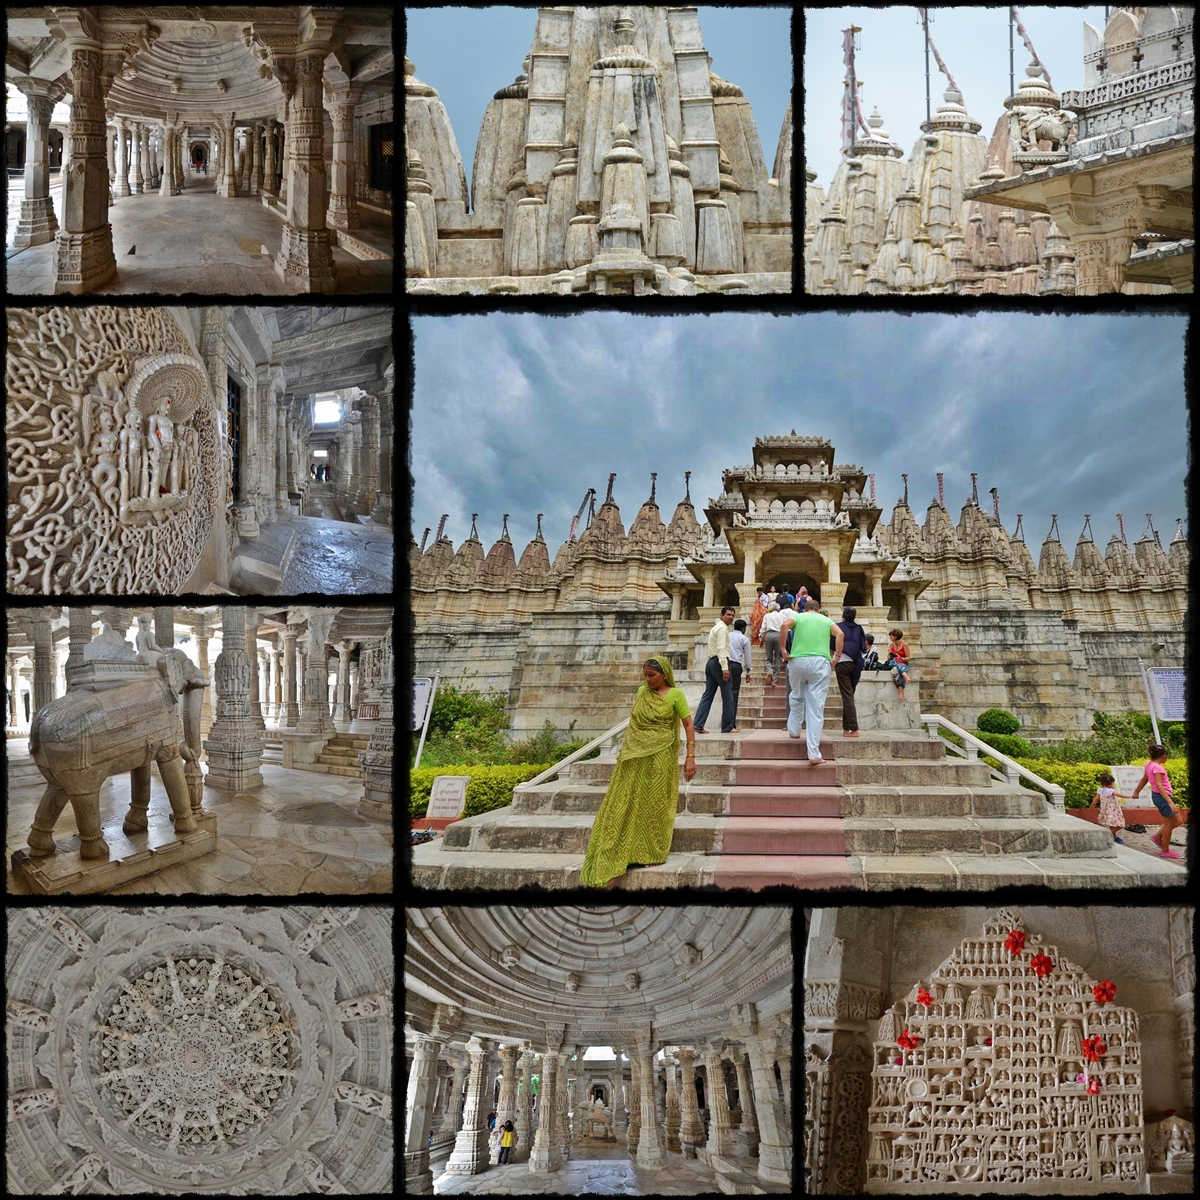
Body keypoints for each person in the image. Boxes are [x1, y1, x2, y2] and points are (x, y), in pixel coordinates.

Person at [580, 657, 697, 887]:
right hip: (634, 757)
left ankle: (650, 852)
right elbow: (635, 726)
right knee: (627, 802)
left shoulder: (676, 695)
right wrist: (626, 753)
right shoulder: (642, 692)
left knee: (653, 802)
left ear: (664, 675)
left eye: (651, 675)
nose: (647, 679)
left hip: (661, 755)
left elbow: (688, 725)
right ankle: (620, 853)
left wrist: (690, 758)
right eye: (645, 675)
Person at [779, 597, 844, 765]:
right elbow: (840, 634)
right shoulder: (826, 620)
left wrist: (783, 649)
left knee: (796, 695)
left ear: (805, 609)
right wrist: (836, 656)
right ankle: (814, 754)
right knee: (815, 708)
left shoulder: (799, 617)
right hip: (819, 662)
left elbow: (784, 625)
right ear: (819, 609)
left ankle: (794, 730)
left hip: (797, 661)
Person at [1131, 745, 1183, 858]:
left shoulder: (1149, 765)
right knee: (1169, 824)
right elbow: (1159, 785)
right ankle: (1165, 850)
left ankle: (1157, 837)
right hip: (1163, 797)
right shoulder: (1158, 768)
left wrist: (1136, 791)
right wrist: (1170, 802)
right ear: (1163, 756)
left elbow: (1144, 779)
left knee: (1179, 821)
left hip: (1159, 796)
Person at [693, 606, 736, 735]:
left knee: (708, 695)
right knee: (728, 695)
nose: (731, 617)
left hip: (711, 662)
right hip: (719, 662)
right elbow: (721, 648)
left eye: (733, 615)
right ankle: (727, 727)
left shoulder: (715, 627)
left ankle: (698, 724)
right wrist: (725, 667)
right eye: (728, 615)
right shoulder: (722, 629)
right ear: (722, 615)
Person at [834, 606, 869, 738]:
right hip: (857, 663)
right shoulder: (859, 628)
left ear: (843, 615)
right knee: (848, 695)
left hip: (842, 662)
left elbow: (833, 644)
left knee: (847, 696)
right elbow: (863, 646)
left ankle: (854, 728)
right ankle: (846, 728)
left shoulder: (838, 626)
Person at [1090, 771, 1128, 845]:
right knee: (1120, 824)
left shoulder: (1100, 790)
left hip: (1105, 810)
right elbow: (1119, 795)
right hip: (1113, 810)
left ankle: (1114, 837)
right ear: (1109, 783)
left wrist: (1091, 806)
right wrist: (1130, 796)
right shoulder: (1110, 791)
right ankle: (1107, 834)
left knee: (1112, 824)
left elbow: (1096, 799)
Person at [728, 618, 752, 732]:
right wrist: (748, 671)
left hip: (725, 665)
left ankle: (726, 722)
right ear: (743, 629)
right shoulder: (744, 639)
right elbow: (747, 657)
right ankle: (731, 724)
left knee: (727, 694)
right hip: (736, 666)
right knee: (734, 694)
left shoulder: (727, 635)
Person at [761, 602, 784, 685]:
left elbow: (763, 627)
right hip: (779, 635)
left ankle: (770, 671)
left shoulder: (767, 616)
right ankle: (774, 680)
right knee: (777, 657)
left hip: (769, 635)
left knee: (769, 657)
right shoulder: (782, 616)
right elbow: (785, 627)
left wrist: (761, 636)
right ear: (778, 609)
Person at [886, 628, 911, 697]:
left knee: (897, 671)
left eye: (891, 636)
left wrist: (901, 658)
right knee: (894, 661)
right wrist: (890, 655)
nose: (890, 638)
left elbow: (909, 658)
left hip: (903, 663)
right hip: (893, 663)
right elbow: (888, 657)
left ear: (895, 636)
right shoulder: (891, 645)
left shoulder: (904, 644)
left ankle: (901, 692)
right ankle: (905, 675)